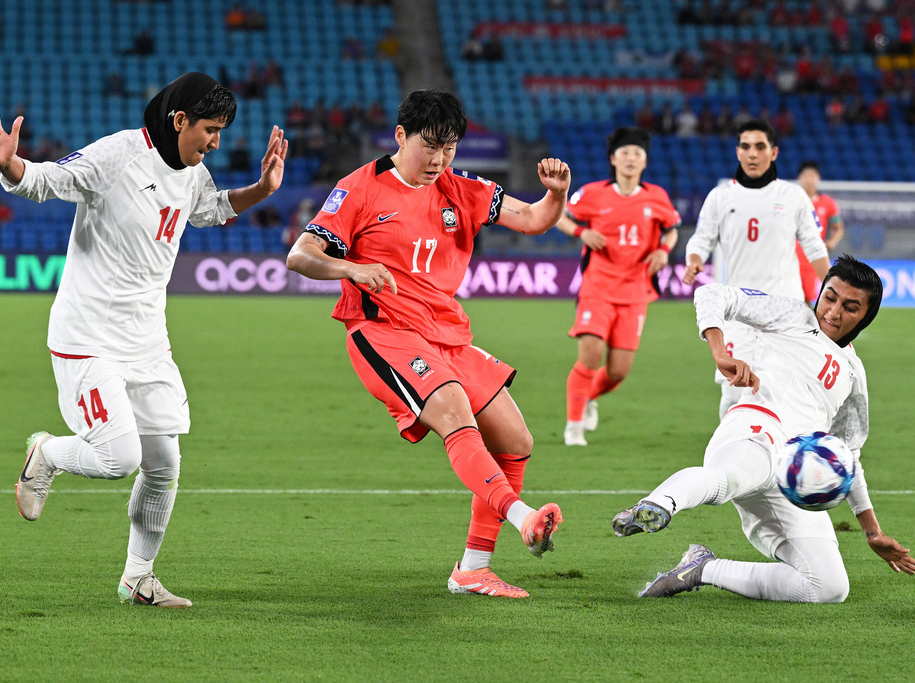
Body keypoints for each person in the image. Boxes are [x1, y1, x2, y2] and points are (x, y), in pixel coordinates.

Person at [0, 72, 288, 608]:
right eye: (210, 129)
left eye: (222, 132)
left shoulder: (192, 172)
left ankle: (139, 578)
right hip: (88, 335)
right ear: (179, 120)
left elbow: (206, 211)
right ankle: (46, 453)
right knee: (119, 456)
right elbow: (48, 182)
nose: (216, 143)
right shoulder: (117, 155)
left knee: (164, 463)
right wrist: (10, 165)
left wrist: (262, 191)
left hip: (147, 339)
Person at [286, 89, 570, 599]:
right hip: (383, 330)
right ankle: (524, 518)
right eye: (429, 146)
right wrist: (352, 267)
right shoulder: (359, 189)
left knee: (515, 441)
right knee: (455, 412)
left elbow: (532, 220)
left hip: (446, 332)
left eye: (450, 148)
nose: (439, 159)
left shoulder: (461, 189)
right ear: (400, 135)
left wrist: (556, 195)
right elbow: (301, 255)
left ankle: (472, 570)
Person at [613, 256, 915, 602]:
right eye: (830, 297)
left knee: (828, 587)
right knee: (726, 478)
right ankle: (656, 505)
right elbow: (712, 294)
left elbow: (848, 456)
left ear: (866, 316)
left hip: (796, 476)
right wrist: (719, 350)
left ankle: (702, 568)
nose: (833, 312)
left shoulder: (853, 373)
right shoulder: (793, 315)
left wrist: (872, 532)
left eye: (850, 307)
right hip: (755, 429)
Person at [682, 119, 830, 417]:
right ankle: (730, 456)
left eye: (760, 147)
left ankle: (780, 458)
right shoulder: (721, 197)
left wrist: (832, 291)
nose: (752, 154)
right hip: (739, 312)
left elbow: (814, 247)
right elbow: (701, 239)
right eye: (746, 147)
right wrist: (694, 260)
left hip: (786, 311)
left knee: (787, 393)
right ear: (737, 152)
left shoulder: (793, 197)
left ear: (773, 153)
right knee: (735, 391)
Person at [553, 127, 681, 447]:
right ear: (613, 158)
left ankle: (589, 398)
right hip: (597, 285)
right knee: (591, 354)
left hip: (635, 290)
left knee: (618, 372)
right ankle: (573, 426)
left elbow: (671, 231)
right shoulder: (593, 193)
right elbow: (559, 216)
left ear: (645, 161)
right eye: (624, 153)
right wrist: (580, 233)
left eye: (637, 153)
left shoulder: (657, 197)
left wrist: (664, 251)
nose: (630, 158)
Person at [796, 161, 845, 302]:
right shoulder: (792, 200)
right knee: (790, 297)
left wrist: (831, 243)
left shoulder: (828, 203)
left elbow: (838, 228)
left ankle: (805, 324)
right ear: (800, 178)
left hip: (812, 259)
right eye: (806, 176)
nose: (809, 180)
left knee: (807, 299)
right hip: (791, 257)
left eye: (813, 176)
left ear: (818, 179)